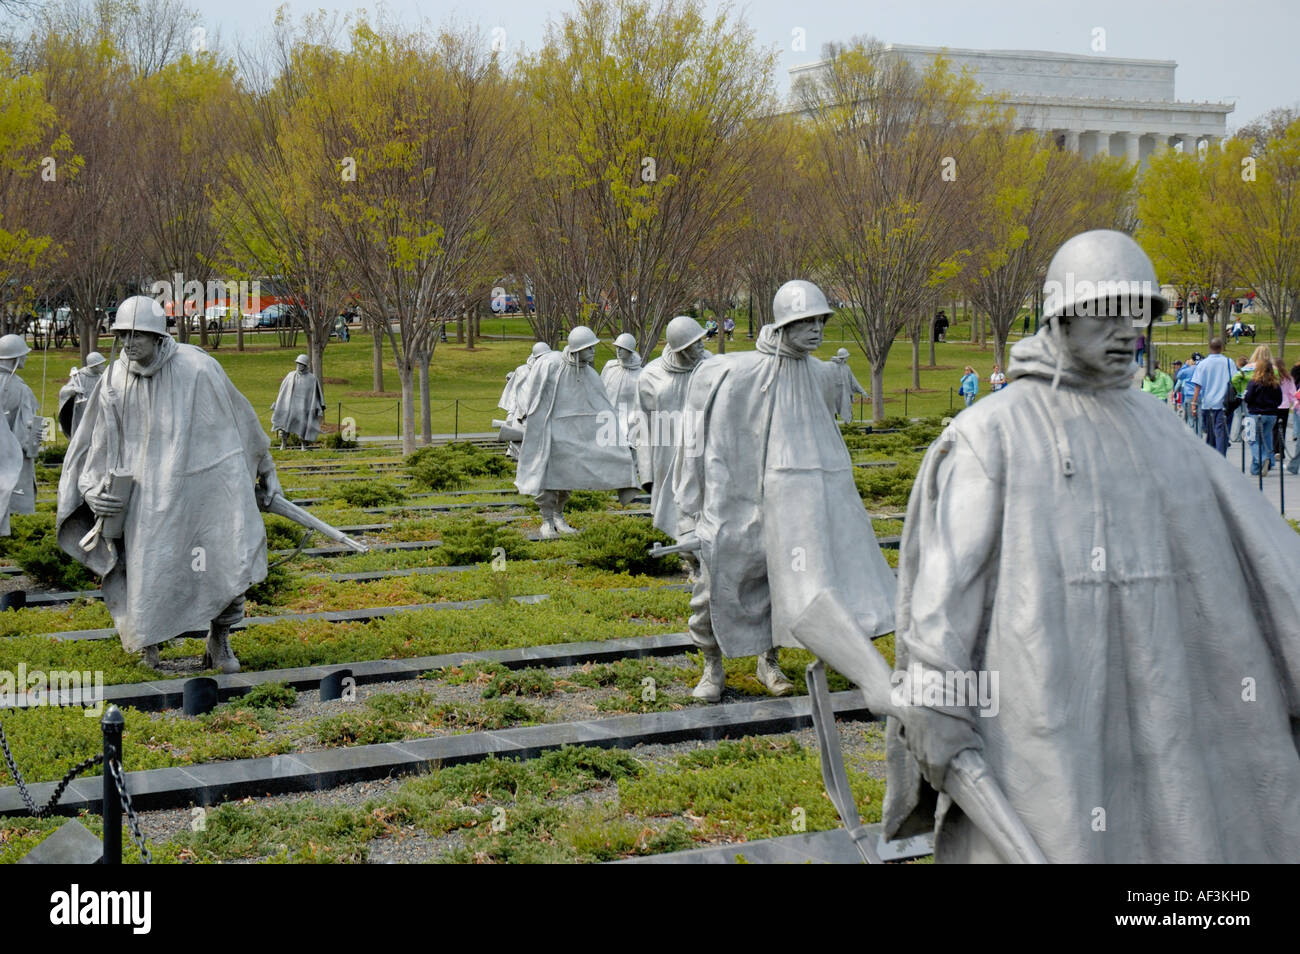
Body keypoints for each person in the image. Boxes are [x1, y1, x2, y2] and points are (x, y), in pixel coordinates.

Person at [882, 230, 1300, 862]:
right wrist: (937, 707)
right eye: (1106, 313)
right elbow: (944, 608)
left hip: (1172, 741)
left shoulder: (1164, 429)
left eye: (1141, 314)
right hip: (1044, 740)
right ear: (1061, 315)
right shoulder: (990, 436)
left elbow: (1271, 570)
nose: (1128, 332)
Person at [673, 280, 896, 703]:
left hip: (797, 510)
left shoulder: (822, 374)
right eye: (805, 321)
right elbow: (700, 444)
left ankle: (768, 661)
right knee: (715, 583)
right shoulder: (738, 374)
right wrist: (691, 509)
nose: (816, 330)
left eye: (820, 321)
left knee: (783, 584)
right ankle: (712, 666)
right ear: (782, 325)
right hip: (739, 503)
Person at [56, 296, 283, 673]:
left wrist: (268, 469)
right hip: (144, 499)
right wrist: (94, 488)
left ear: (158, 336)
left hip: (200, 492)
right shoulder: (114, 378)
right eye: (122, 335)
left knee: (221, 561)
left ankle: (219, 640)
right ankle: (148, 645)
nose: (128, 343)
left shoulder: (198, 369)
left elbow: (241, 419)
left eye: (137, 335)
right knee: (146, 570)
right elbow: (96, 442)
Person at [513, 326, 639, 539]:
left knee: (568, 477)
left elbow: (601, 405)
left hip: (573, 435)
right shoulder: (551, 364)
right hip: (549, 431)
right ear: (576, 349)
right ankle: (546, 520)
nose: (593, 353)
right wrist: (527, 417)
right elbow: (534, 393)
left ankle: (559, 516)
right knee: (548, 478)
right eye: (588, 349)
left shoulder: (589, 373)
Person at [0, 334, 41, 536]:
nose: (25, 358)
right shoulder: (21, 389)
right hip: (15, 457)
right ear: (15, 358)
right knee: (16, 499)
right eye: (23, 355)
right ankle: (17, 536)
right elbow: (27, 434)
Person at [498, 342, 550, 461]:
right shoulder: (522, 371)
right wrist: (510, 414)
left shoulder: (548, 370)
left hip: (540, 416)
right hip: (521, 416)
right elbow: (514, 395)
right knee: (520, 449)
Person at [270, 354, 326, 450]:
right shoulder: (290, 376)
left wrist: (318, 406)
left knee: (303, 426)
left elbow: (315, 395)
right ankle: (283, 444)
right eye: (298, 363)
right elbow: (282, 391)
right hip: (289, 406)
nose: (299, 366)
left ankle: (303, 445)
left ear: (306, 365)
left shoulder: (312, 379)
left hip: (304, 408)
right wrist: (278, 403)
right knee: (284, 425)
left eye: (301, 364)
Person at [1189, 337, 1233, 455]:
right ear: (1222, 348)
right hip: (1223, 404)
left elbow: (1197, 386)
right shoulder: (1229, 362)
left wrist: (1194, 404)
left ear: (1210, 347)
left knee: (1211, 435)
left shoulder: (1203, 364)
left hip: (1208, 404)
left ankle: (1212, 457)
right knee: (1221, 435)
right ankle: (1220, 459)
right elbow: (1235, 381)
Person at [1244, 350, 1281, 476]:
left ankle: (1262, 458)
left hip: (1255, 413)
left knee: (1252, 439)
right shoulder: (1275, 383)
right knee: (1267, 438)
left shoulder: (1254, 382)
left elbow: (1248, 398)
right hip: (1271, 414)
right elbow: (1279, 400)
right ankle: (1258, 467)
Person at [57, 352, 107, 439]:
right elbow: (63, 392)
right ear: (94, 366)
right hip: (82, 412)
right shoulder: (79, 376)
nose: (103, 366)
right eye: (101, 364)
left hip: (96, 412)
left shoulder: (100, 377)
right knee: (82, 436)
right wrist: (73, 390)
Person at [829, 347, 869, 419]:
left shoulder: (846, 368)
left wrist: (862, 391)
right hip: (834, 395)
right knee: (833, 414)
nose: (847, 358)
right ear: (843, 357)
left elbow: (853, 381)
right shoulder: (831, 367)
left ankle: (848, 426)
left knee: (847, 413)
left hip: (844, 394)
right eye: (846, 357)